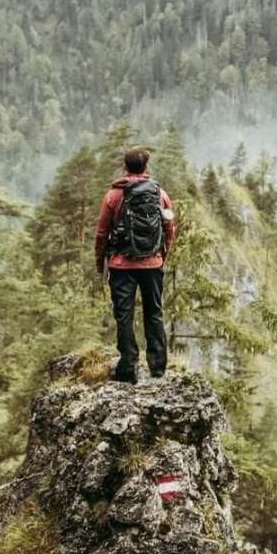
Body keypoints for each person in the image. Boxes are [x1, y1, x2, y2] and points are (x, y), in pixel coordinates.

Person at [94, 146, 175, 383]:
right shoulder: (160, 193)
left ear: (124, 167)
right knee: (154, 313)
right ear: (146, 167)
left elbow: (101, 233)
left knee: (124, 316)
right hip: (152, 264)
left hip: (122, 265)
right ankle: (158, 366)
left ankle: (128, 367)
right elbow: (169, 228)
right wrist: (162, 255)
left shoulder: (113, 196)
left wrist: (102, 263)